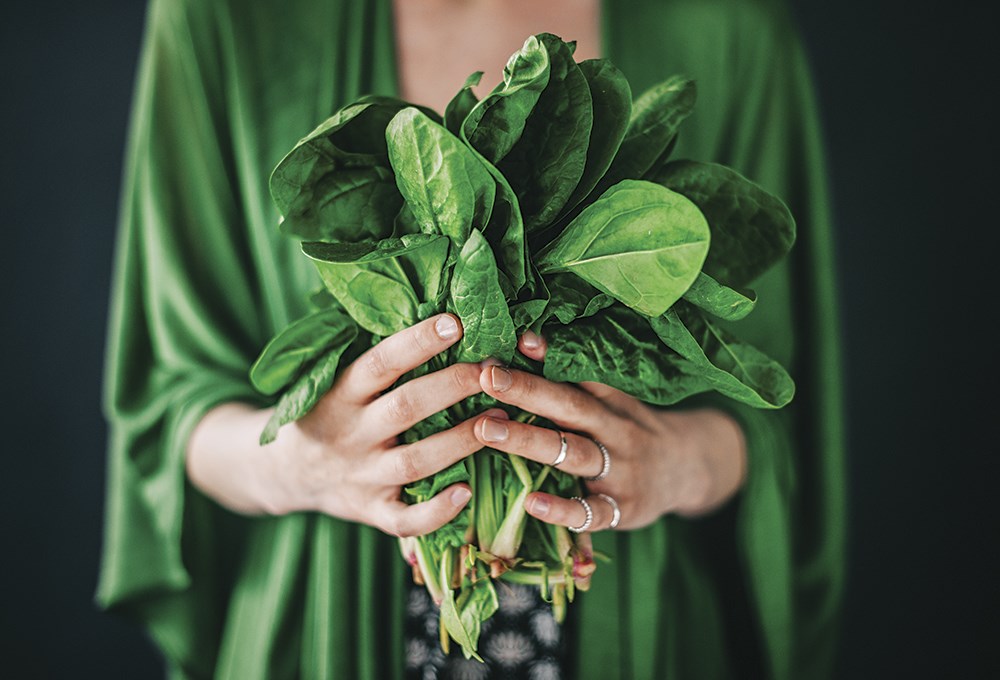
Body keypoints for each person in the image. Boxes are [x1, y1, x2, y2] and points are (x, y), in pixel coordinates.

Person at [98, 0, 845, 678]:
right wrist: (303, 464)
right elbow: (170, 405)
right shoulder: (219, 18)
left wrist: (677, 464)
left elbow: (776, 408)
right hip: (319, 633)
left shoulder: (729, 27)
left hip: (642, 633)